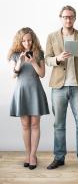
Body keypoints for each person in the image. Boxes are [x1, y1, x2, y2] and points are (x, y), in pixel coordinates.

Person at [45, 5, 78, 170]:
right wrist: (57, 58)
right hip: (58, 86)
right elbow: (46, 59)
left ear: (75, 18)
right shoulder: (52, 37)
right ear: (61, 18)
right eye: (65, 17)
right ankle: (59, 157)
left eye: (71, 17)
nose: (68, 19)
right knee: (58, 124)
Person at [8, 27, 49, 170]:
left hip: (35, 91)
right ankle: (27, 154)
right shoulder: (14, 55)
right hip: (22, 92)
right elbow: (13, 75)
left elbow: (42, 74)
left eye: (29, 40)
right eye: (24, 41)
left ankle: (33, 155)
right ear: (20, 41)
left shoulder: (39, 54)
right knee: (25, 125)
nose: (27, 43)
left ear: (33, 40)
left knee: (35, 125)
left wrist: (32, 62)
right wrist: (20, 61)